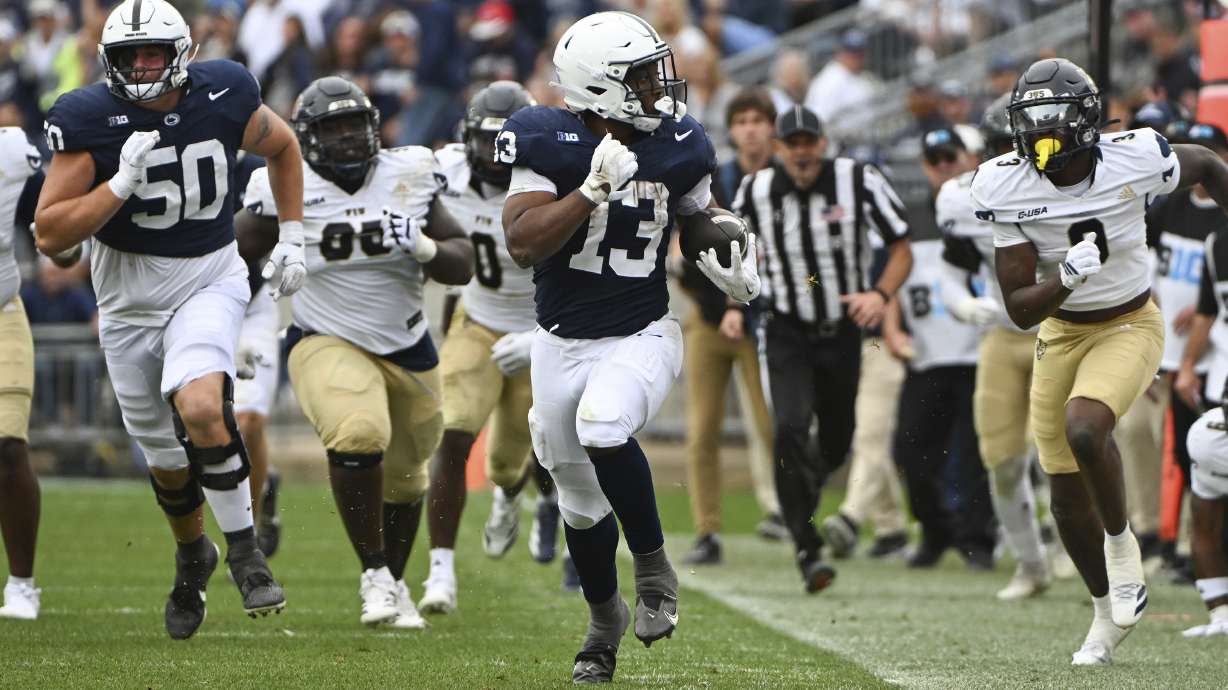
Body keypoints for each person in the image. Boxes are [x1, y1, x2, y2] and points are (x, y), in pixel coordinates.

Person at [499, 12, 757, 683]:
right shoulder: (544, 137)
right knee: (579, 503)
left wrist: (729, 248)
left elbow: (698, 215)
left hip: (642, 331)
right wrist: (589, 191)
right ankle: (602, 619)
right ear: (599, 84)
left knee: (604, 423)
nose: (655, 86)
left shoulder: (678, 140)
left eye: (653, 71)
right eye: (640, 76)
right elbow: (523, 242)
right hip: (561, 342)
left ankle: (652, 567)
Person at [34, 0, 304, 639]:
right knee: (163, 458)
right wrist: (117, 186)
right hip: (127, 302)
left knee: (205, 408)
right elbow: (49, 232)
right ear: (110, 61)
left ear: (181, 53)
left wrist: (293, 234)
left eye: (154, 53)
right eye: (130, 57)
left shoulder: (225, 90)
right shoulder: (89, 118)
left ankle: (244, 551)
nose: (143, 66)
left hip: (208, 276)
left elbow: (285, 147)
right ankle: (192, 556)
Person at [972, 57, 1228, 666]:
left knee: (1086, 428)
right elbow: (1021, 307)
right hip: (1060, 332)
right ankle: (1101, 618)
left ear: (1084, 120)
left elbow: (1209, 166)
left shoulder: (1135, 156)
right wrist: (1062, 277)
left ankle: (1123, 548)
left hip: (1131, 321)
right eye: (1029, 119)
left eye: (1051, 117)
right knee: (1062, 493)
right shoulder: (1003, 183)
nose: (1039, 132)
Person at [237, 76, 473, 630]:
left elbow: (462, 262)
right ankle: (374, 575)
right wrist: (225, 333)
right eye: (331, 128)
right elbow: (229, 256)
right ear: (308, 137)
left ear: (372, 126)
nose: (345, 137)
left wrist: (423, 245)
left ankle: (394, 581)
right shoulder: (280, 182)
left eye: (352, 125)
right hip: (325, 338)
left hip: (410, 346)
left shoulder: (408, 174)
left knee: (409, 477)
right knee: (358, 432)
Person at [735, 105, 912, 593]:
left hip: (841, 330)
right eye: (791, 143)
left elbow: (902, 246)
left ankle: (802, 493)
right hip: (786, 328)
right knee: (789, 428)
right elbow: (733, 248)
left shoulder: (859, 180)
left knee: (837, 440)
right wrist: (734, 298)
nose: (801, 151)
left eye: (808, 141)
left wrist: (879, 295)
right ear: (777, 149)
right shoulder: (756, 190)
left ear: (823, 142)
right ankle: (806, 548)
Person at [419, 80, 560, 616]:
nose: (495, 154)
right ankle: (441, 574)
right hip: (476, 321)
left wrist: (544, 336)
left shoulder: (551, 174)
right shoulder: (444, 171)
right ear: (466, 139)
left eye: (505, 140)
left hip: (541, 328)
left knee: (508, 464)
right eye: (485, 140)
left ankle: (508, 495)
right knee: (451, 434)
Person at [938, 93, 1055, 600]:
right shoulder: (962, 199)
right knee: (1002, 459)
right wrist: (964, 306)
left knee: (1060, 454)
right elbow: (951, 271)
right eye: (1002, 147)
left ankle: (1089, 553)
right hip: (1004, 335)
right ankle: (1031, 564)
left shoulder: (1064, 189)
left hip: (1061, 332)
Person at [680, 87, 783, 566]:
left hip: (763, 322)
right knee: (702, 430)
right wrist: (715, 303)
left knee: (772, 425)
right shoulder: (713, 178)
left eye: (757, 120)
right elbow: (688, 250)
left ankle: (786, 511)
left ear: (771, 127)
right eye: (740, 121)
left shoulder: (785, 181)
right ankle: (707, 530)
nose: (749, 129)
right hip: (708, 321)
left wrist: (744, 304)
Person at [887, 126, 995, 571]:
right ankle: (934, 530)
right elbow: (890, 277)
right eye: (935, 160)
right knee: (909, 450)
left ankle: (978, 540)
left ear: (969, 159)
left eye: (951, 157)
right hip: (927, 353)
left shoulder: (990, 209)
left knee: (978, 452)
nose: (944, 167)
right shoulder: (909, 217)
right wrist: (892, 330)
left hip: (978, 351)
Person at [0, 126, 44, 620]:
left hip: (1, 310)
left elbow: (49, 204)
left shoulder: (12, 151)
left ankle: (22, 584)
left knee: (8, 446)